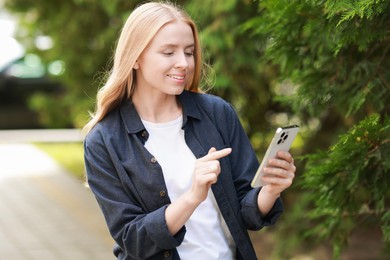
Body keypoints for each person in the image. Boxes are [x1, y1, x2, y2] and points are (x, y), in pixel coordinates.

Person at [83, 1, 296, 259]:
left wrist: (271, 190)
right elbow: (134, 239)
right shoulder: (104, 140)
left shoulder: (217, 114)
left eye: (189, 52)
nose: (184, 63)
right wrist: (192, 196)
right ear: (136, 58)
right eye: (169, 52)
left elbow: (247, 212)